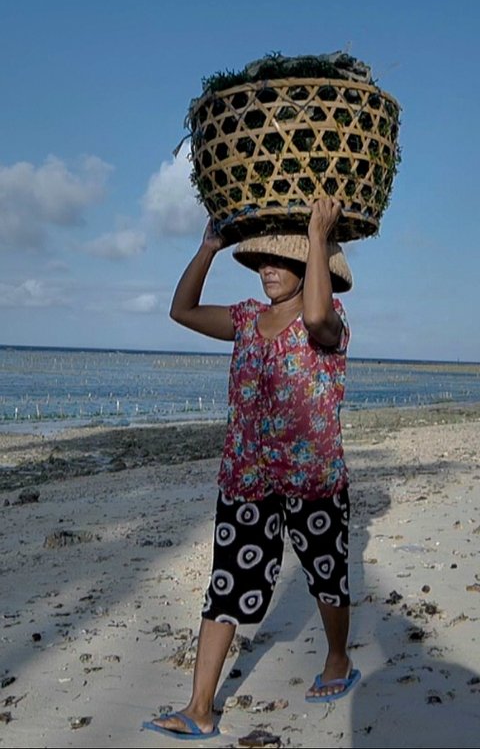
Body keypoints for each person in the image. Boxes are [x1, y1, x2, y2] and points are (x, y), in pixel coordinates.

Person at [142, 198, 360, 741]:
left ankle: (337, 659)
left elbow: (314, 315)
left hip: (312, 479)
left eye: (278, 259)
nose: (266, 267)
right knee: (225, 587)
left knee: (325, 576)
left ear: (312, 266)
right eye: (260, 258)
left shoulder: (330, 323)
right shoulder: (244, 319)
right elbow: (182, 311)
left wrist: (316, 235)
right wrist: (210, 246)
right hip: (246, 477)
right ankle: (199, 708)